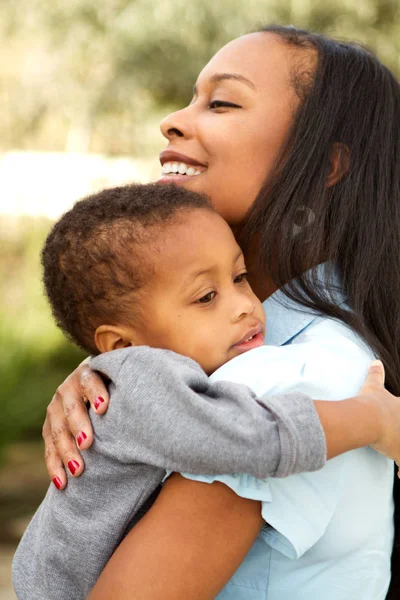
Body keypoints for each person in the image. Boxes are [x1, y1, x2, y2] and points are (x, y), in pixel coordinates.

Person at [39, 25, 400, 599]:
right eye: (189, 97)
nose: (173, 121)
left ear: (326, 167)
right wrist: (129, 375)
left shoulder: (279, 386)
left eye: (222, 102)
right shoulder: (259, 353)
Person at [13, 186, 393, 600]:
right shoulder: (145, 380)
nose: (243, 306)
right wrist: (373, 418)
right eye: (206, 297)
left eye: (239, 278)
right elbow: (248, 439)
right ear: (123, 348)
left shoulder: (142, 375)